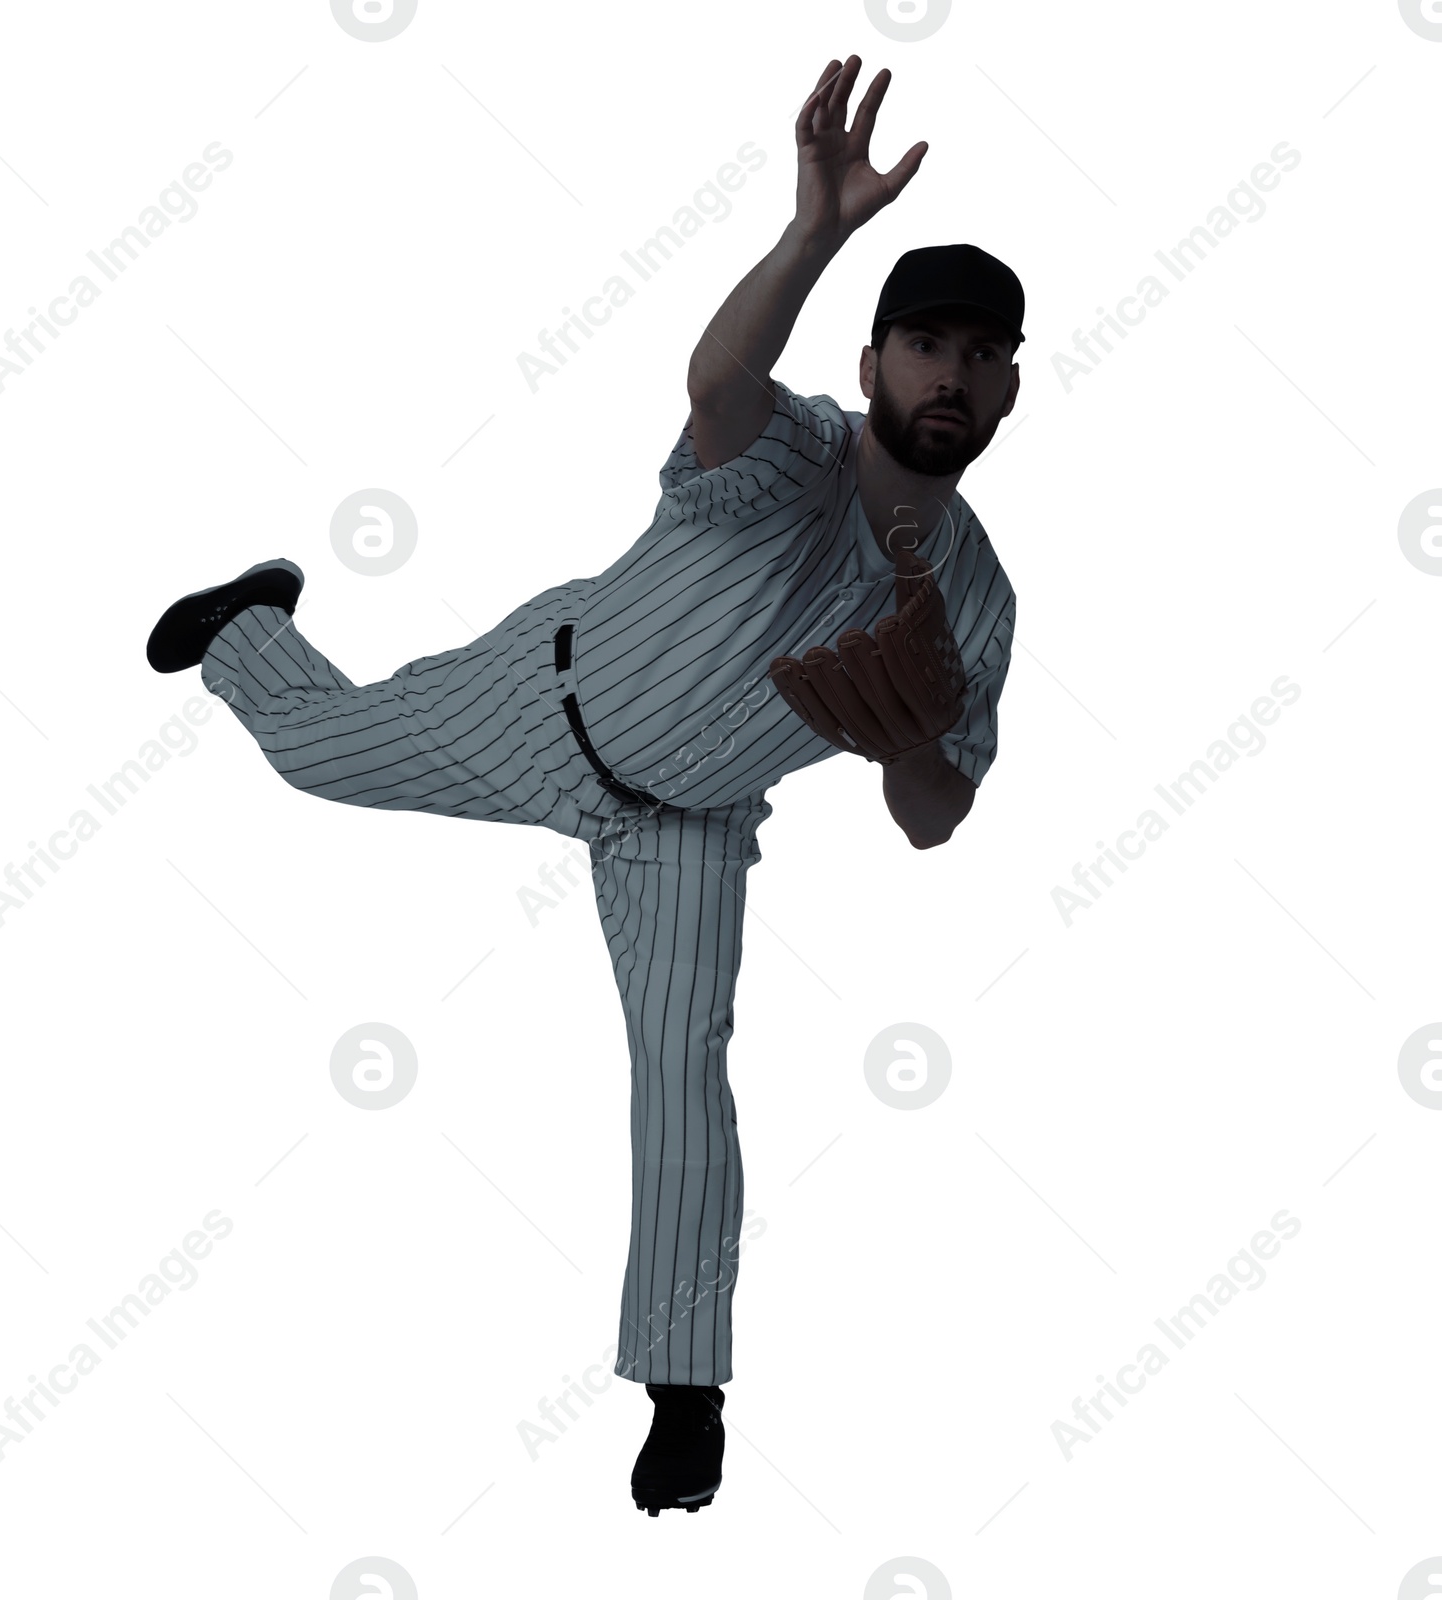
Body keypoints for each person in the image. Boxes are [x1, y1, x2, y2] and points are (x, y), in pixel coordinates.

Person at [144, 52, 1021, 1517]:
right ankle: (251, 624)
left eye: (978, 353)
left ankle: (686, 1388)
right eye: (923, 343)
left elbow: (938, 820)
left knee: (684, 1066)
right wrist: (813, 233)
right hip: (545, 701)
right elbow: (717, 381)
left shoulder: (981, 598)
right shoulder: (793, 446)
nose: (949, 372)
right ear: (875, 364)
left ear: (1010, 384)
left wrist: (914, 741)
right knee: (316, 756)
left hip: (687, 825)